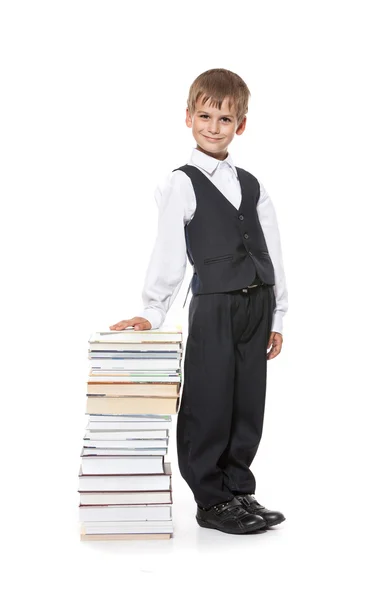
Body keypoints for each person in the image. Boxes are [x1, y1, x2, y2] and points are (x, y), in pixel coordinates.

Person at [110, 68, 288, 535]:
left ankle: (237, 489)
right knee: (209, 398)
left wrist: (280, 314)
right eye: (205, 115)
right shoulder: (181, 183)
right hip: (214, 304)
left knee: (247, 401)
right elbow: (168, 252)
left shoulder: (252, 184)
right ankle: (211, 501)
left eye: (225, 119)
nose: (213, 126)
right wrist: (153, 310)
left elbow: (272, 250)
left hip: (258, 303)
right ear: (188, 117)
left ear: (241, 125)